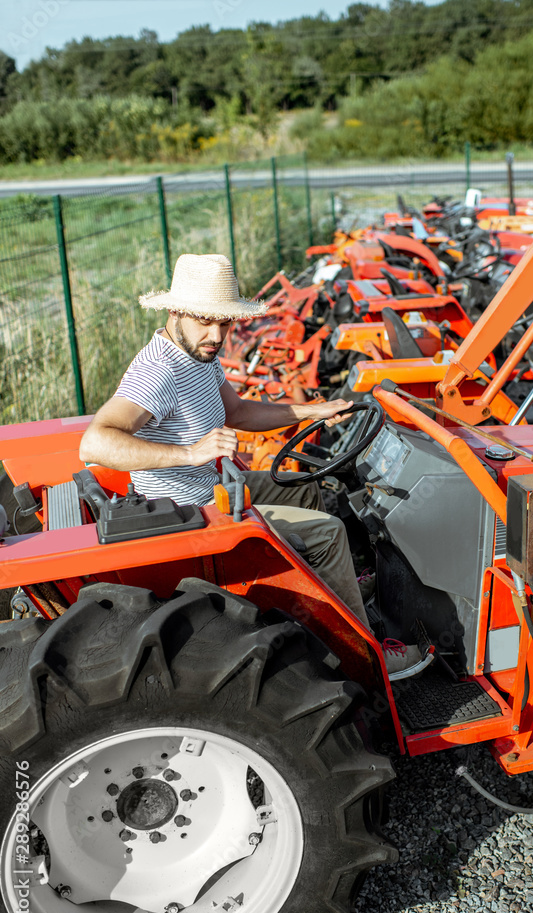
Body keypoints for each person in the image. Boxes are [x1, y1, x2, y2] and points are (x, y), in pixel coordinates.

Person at [80, 253, 421, 673]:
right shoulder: (158, 373)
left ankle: (333, 593)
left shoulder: (198, 355)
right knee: (330, 533)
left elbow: (238, 412)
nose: (217, 334)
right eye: (206, 320)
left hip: (217, 488)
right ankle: (368, 655)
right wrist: (190, 453)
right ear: (175, 312)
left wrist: (311, 411)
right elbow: (95, 442)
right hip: (193, 513)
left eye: (225, 322)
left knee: (304, 486)